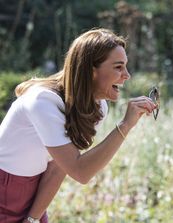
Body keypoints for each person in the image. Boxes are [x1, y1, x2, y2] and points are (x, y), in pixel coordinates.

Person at [0, 28, 157, 223]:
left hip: (32, 190)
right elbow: (80, 171)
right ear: (91, 71)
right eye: (118, 67)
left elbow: (58, 168)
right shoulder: (43, 102)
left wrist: (33, 218)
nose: (127, 75)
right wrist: (125, 125)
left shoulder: (97, 106)